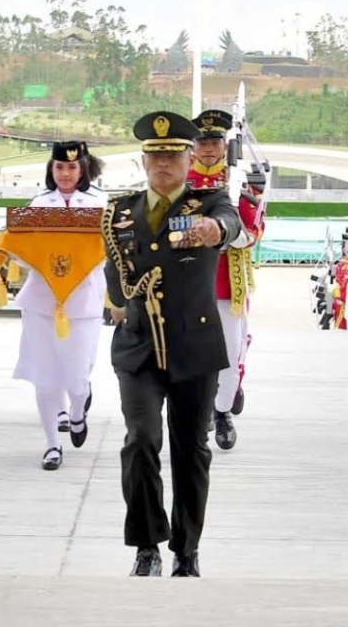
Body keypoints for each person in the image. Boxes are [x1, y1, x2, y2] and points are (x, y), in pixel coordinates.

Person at [103, 111, 242, 578]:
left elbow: (230, 223)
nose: (163, 164)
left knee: (190, 450)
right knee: (141, 440)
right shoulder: (120, 213)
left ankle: (186, 549)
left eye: (172, 155)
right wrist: (117, 303)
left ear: (188, 159)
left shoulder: (209, 202)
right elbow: (115, 274)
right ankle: (147, 546)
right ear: (144, 161)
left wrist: (217, 232)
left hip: (193, 346)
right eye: (155, 155)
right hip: (139, 345)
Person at [7, 141, 107, 470]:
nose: (65, 173)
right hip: (41, 301)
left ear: (83, 169)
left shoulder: (99, 205)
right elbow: (21, 251)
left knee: (78, 379)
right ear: (51, 169)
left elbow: (110, 251)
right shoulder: (38, 204)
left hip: (83, 300)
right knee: (45, 377)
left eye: (72, 167)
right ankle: (52, 444)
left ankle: (77, 413)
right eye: (59, 167)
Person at [188, 110, 265, 451]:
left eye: (215, 142)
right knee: (190, 355)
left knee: (230, 355)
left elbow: (254, 228)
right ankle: (201, 409)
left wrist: (234, 234)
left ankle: (221, 411)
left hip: (226, 283)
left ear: (225, 146)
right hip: (190, 282)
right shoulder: (181, 182)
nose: (208, 149)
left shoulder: (239, 183)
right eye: (202, 142)